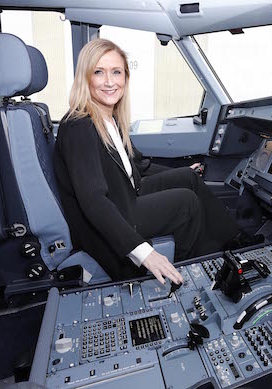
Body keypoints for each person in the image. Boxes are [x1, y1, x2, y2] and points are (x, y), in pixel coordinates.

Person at [54, 39, 259, 285]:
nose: (110, 82)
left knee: (189, 179)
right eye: (99, 72)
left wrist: (184, 170)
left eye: (116, 72)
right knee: (187, 203)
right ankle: (191, 268)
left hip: (124, 195)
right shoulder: (79, 125)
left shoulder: (107, 116)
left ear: (126, 77)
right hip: (113, 214)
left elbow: (135, 165)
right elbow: (93, 200)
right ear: (85, 78)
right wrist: (144, 253)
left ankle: (236, 242)